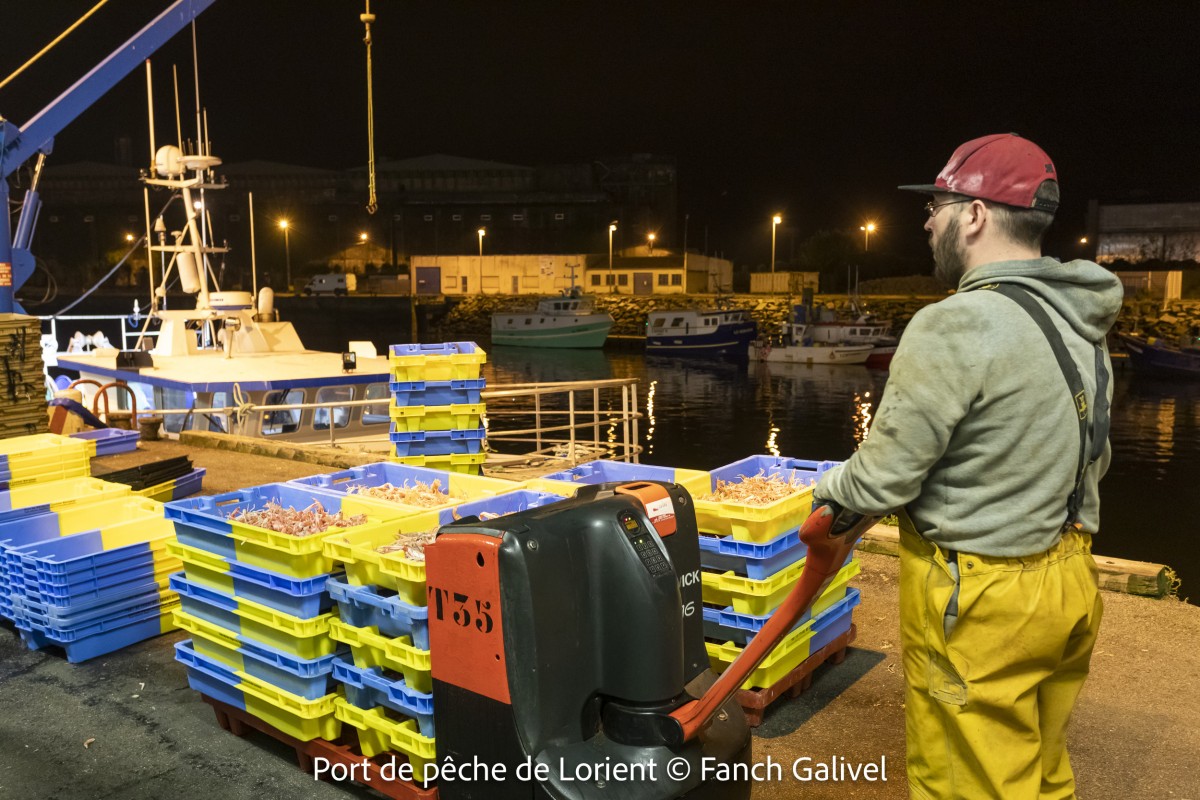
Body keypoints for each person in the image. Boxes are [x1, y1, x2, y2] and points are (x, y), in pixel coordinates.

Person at [812, 133, 1123, 799]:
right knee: (1039, 770)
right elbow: (1091, 456)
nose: (927, 221)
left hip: (979, 598)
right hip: (1068, 578)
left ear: (976, 216)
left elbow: (882, 479)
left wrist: (825, 491)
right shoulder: (1082, 326)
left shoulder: (955, 324)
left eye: (939, 206)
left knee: (966, 783)